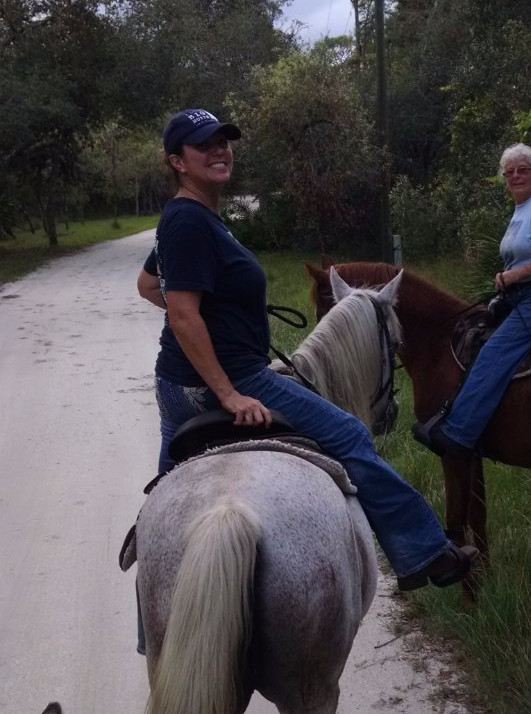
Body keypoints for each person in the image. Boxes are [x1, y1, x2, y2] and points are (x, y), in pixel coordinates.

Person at [137, 108, 477, 595]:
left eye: (223, 142)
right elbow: (183, 315)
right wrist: (229, 394)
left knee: (162, 508)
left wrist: (220, 313)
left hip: (175, 386)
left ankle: (152, 603)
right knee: (350, 434)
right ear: (177, 161)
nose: (219, 151)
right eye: (203, 145)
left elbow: (149, 284)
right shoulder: (190, 222)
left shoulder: (185, 217)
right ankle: (426, 552)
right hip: (232, 378)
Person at [412, 143, 531, 456]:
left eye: (522, 170)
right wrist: (506, 277)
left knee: (494, 353)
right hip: (521, 294)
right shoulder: (522, 207)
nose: (515, 176)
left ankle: (458, 434)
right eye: (509, 172)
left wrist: (515, 276)